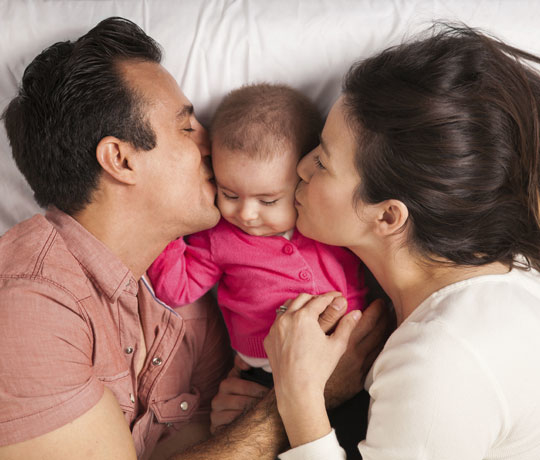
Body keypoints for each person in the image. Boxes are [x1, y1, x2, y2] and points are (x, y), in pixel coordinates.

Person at [0, 17, 390, 460]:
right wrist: (307, 396)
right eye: (187, 128)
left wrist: (242, 414)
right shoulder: (28, 303)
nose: (213, 142)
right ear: (121, 159)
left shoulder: (198, 305)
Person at [264, 24, 540, 459]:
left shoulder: (443, 359)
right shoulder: (506, 267)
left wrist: (297, 399)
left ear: (388, 216)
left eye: (322, 159)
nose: (299, 167)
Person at [148, 83, 368, 386]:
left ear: (306, 179)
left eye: (268, 201)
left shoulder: (327, 223)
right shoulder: (218, 238)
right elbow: (176, 290)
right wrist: (169, 227)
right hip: (266, 371)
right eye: (229, 194)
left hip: (350, 352)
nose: (247, 214)